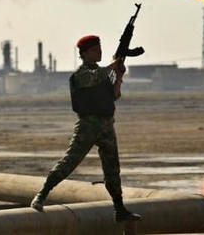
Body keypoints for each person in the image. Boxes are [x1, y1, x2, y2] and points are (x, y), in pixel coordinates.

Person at [30, 35, 141, 223]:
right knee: (69, 162)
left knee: (113, 169)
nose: (99, 52)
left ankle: (119, 209)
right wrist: (114, 65)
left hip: (106, 124)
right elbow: (95, 77)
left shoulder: (102, 72)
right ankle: (41, 194)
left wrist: (119, 76)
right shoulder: (82, 74)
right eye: (95, 50)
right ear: (84, 54)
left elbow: (113, 96)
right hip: (88, 125)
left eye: (100, 48)